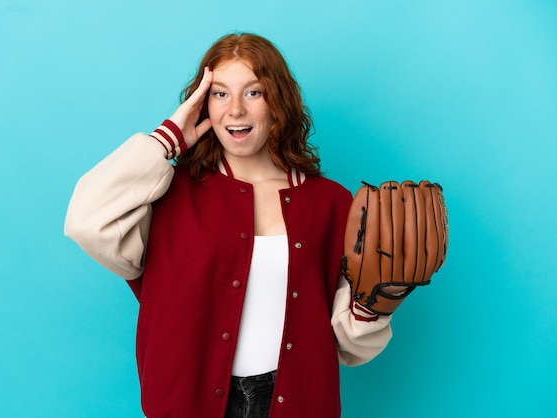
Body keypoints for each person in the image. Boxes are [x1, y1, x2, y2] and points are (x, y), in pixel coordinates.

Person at [65, 33, 394, 418]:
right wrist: (167, 139)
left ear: (278, 102)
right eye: (220, 94)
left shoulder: (331, 202)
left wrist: (379, 301)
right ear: (202, 105)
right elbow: (86, 221)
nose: (235, 109)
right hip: (188, 403)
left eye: (253, 92)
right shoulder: (171, 193)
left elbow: (348, 344)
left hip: (296, 403)